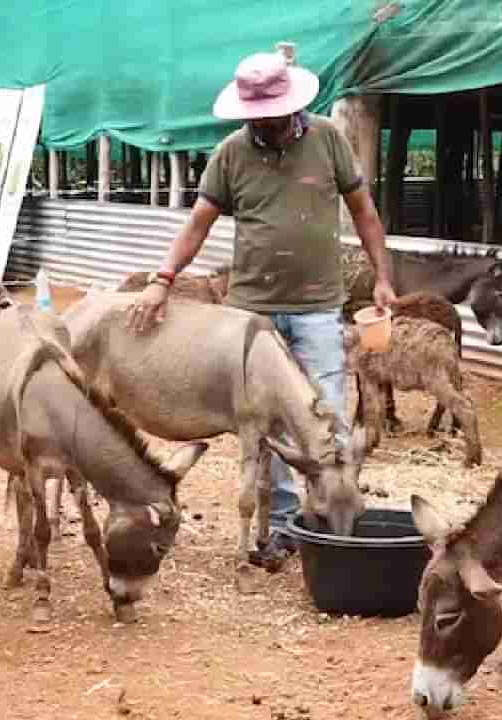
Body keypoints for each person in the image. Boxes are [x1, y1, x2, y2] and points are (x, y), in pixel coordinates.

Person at [126, 51, 396, 566]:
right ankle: (285, 521)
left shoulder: (328, 139)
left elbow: (364, 211)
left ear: (290, 104)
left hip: (318, 307)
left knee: (329, 412)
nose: (261, 120)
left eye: (269, 111)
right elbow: (198, 224)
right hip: (252, 315)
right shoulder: (230, 153)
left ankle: (335, 510)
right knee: (264, 423)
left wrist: (383, 277)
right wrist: (164, 279)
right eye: (254, 112)